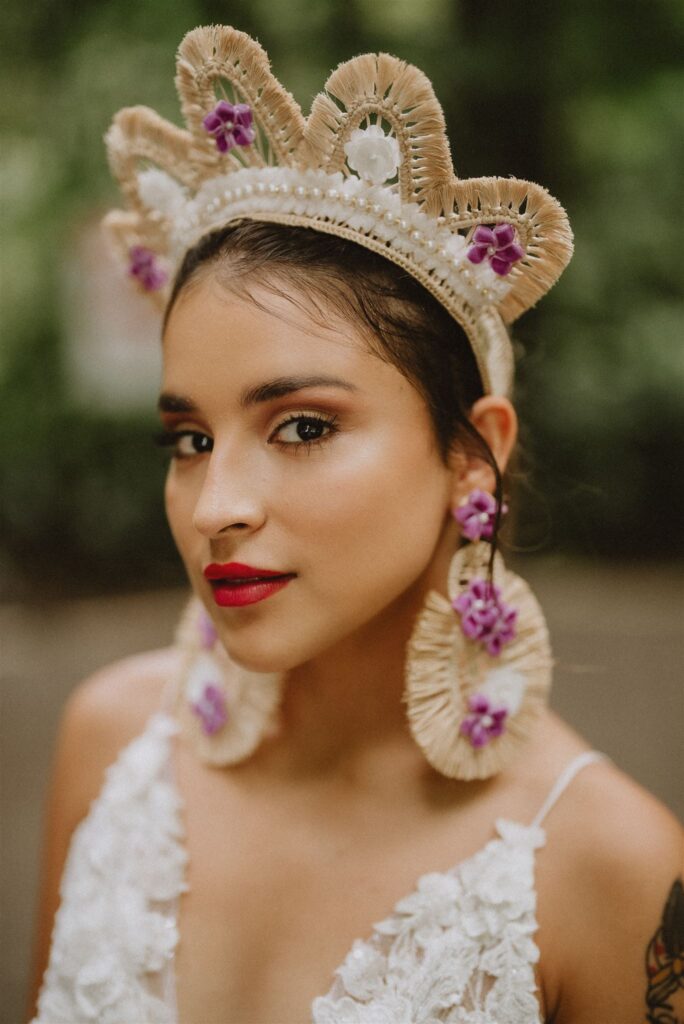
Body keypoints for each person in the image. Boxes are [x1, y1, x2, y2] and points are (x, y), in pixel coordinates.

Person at [27, 23, 682, 1024]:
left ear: (474, 450)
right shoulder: (110, 740)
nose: (216, 507)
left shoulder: (611, 869)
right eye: (189, 439)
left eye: (301, 426)